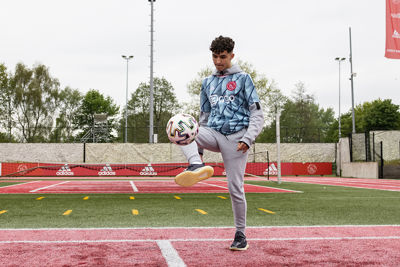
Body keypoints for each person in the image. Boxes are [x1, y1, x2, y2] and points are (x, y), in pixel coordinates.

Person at [175, 35, 264, 251]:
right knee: (181, 126)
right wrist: (199, 148)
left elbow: (258, 115)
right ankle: (196, 164)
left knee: (235, 188)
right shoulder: (207, 82)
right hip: (213, 132)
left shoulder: (244, 79)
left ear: (232, 55)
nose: (217, 61)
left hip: (237, 139)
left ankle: (241, 235)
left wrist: (247, 138)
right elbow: (203, 117)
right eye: (214, 56)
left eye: (222, 57)